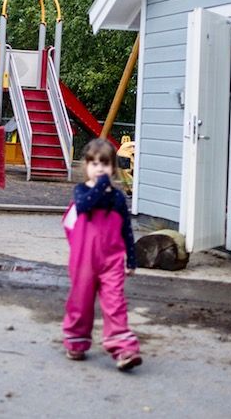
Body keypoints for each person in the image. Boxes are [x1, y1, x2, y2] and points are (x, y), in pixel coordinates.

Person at [62, 138, 142, 371]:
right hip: (84, 260)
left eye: (105, 164)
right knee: (80, 301)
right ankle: (76, 340)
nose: (99, 169)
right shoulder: (81, 191)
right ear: (86, 167)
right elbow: (86, 205)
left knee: (115, 303)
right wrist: (100, 186)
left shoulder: (117, 198)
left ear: (113, 168)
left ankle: (123, 347)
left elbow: (126, 229)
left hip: (112, 261)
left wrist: (132, 258)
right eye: (94, 164)